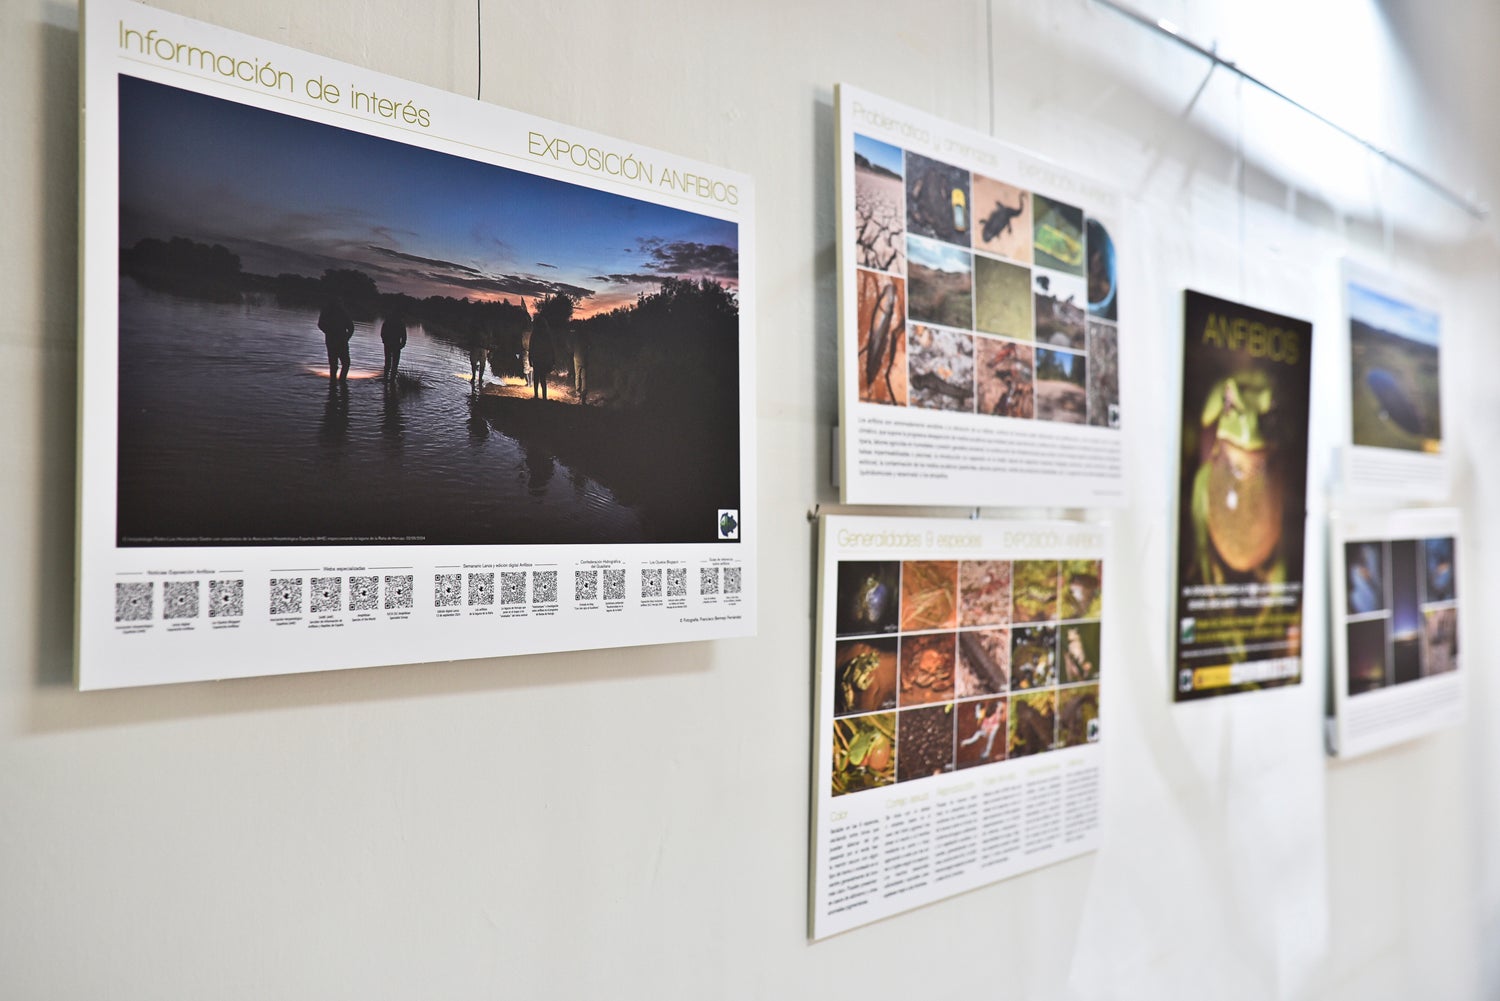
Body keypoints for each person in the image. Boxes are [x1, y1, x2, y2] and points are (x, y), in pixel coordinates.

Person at [318, 296, 354, 382]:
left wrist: (346, 338)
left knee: (339, 364)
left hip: (337, 342)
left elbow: (351, 328)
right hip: (336, 342)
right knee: (341, 364)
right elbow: (351, 328)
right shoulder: (330, 312)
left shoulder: (341, 312)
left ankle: (338, 381)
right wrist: (330, 332)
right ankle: (339, 382)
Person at [529, 313, 556, 400]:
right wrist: (553, 360)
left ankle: (536, 395)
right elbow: (551, 347)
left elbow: (531, 346)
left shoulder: (535, 333)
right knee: (542, 378)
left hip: (537, 358)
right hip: (544, 358)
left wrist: (530, 358)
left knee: (536, 377)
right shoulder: (547, 334)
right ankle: (544, 397)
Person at [380, 309, 408, 382]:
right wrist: (402, 345)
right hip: (394, 345)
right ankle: (391, 380)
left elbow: (382, 333)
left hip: (391, 345)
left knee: (389, 363)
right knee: (393, 364)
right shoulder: (400, 323)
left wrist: (384, 341)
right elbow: (404, 337)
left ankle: (387, 379)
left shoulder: (388, 321)